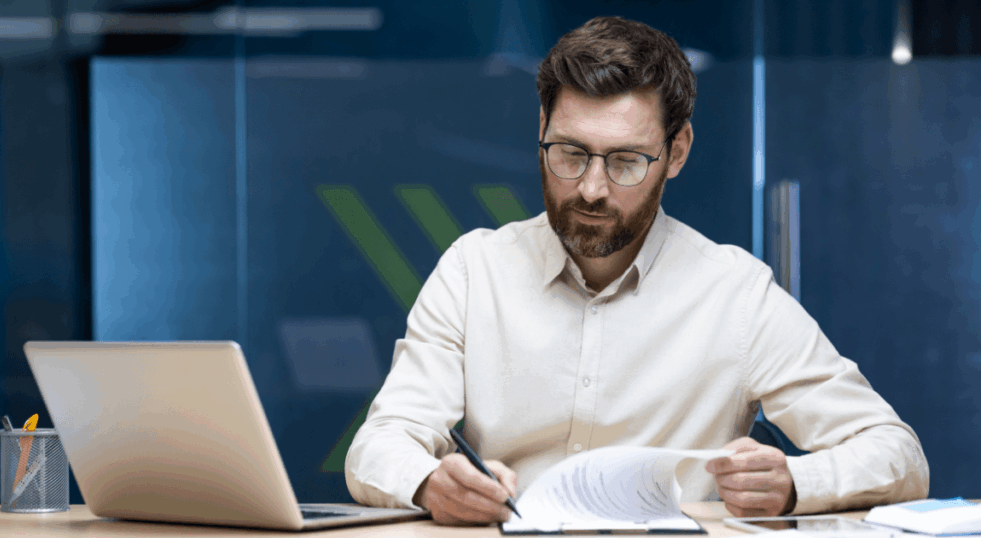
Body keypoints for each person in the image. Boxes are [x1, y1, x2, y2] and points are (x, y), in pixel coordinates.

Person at [345, 15, 929, 525]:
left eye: (625, 161)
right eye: (570, 154)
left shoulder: (736, 295)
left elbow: (897, 453)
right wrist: (431, 483)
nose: (591, 189)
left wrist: (796, 483)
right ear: (541, 129)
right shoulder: (474, 271)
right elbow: (379, 445)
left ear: (677, 151)